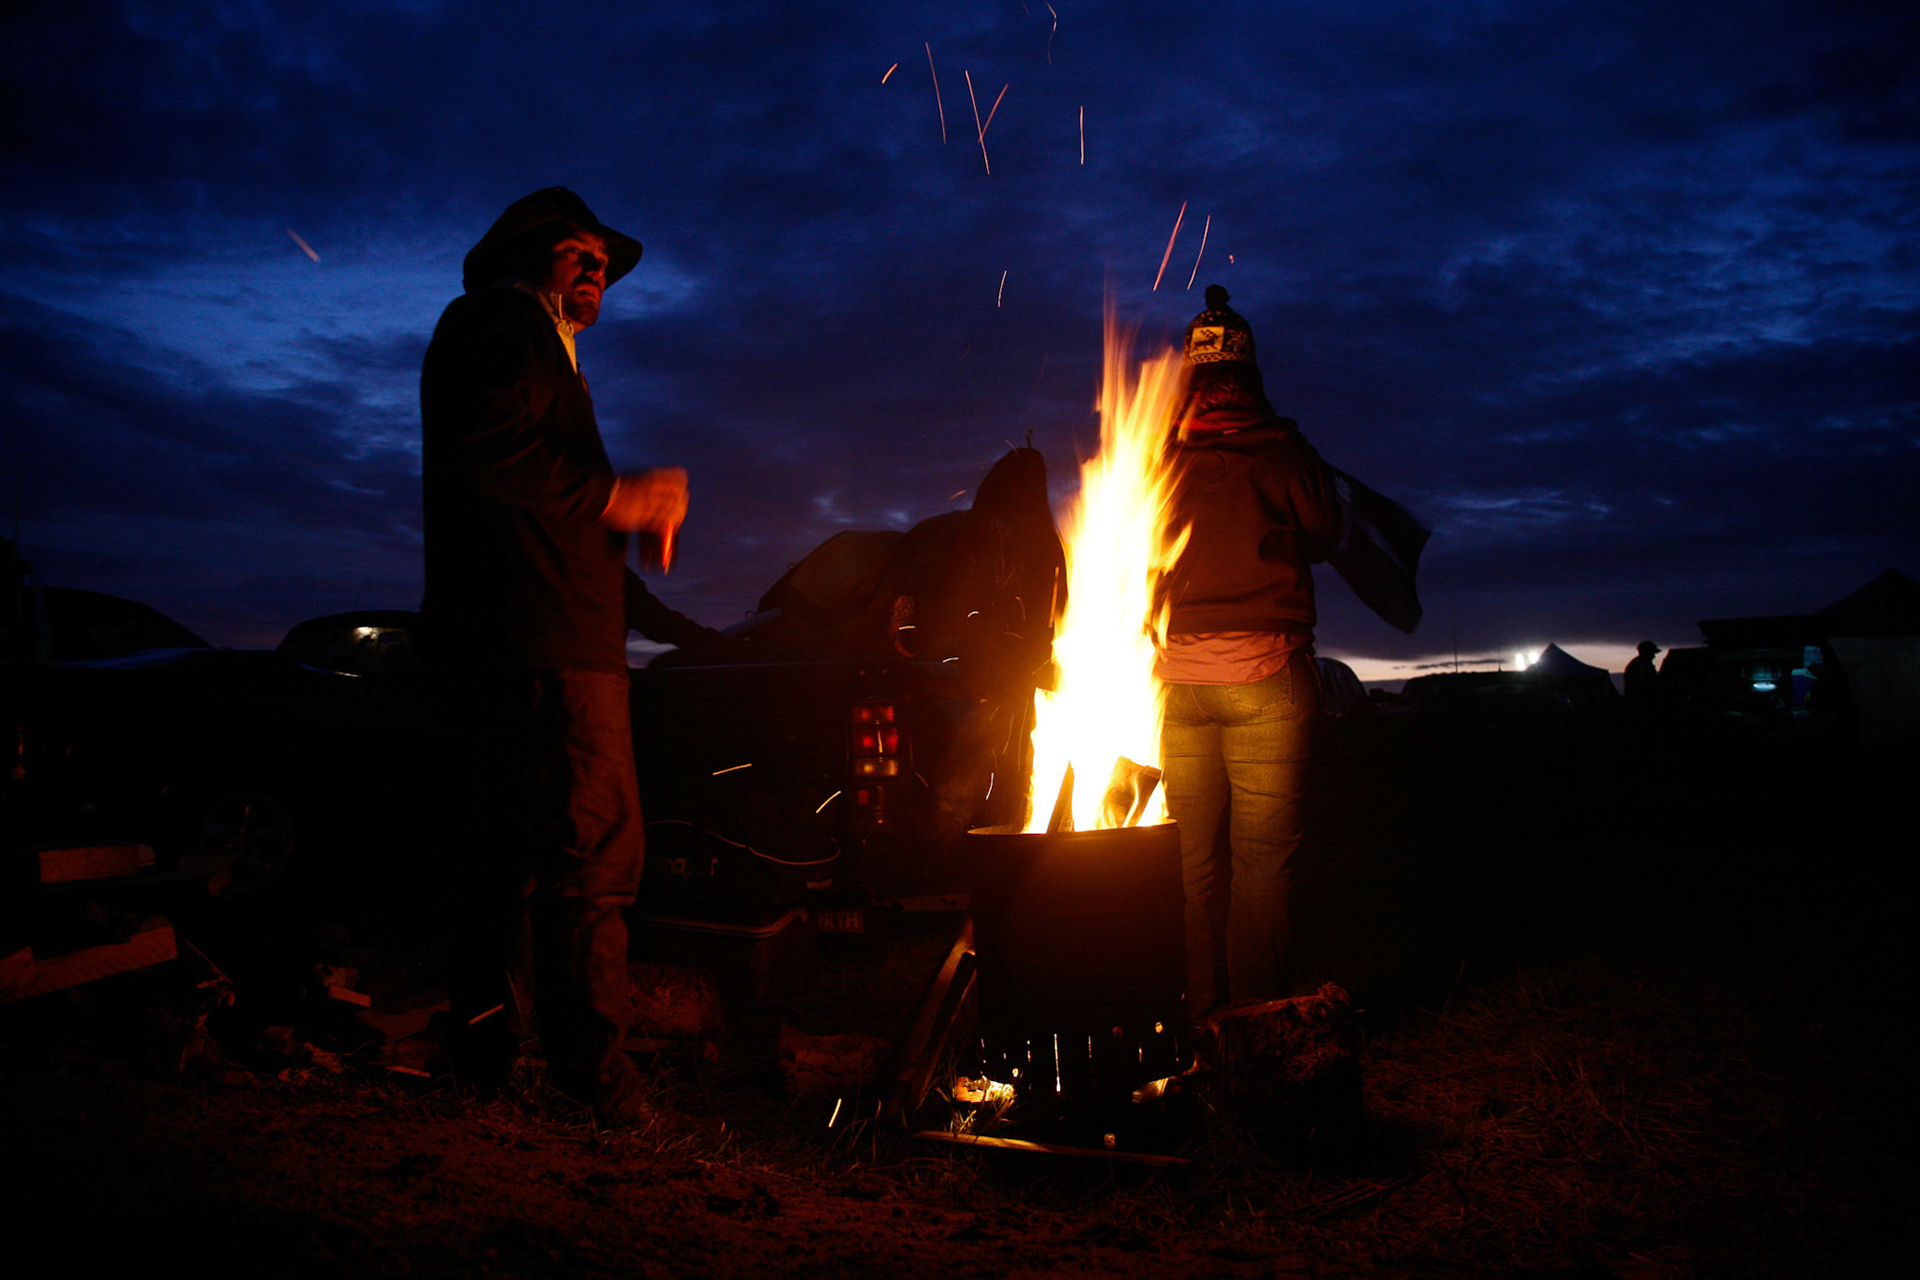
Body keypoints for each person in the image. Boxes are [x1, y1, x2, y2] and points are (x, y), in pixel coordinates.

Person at [420, 187, 688, 1123]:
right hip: (544, 648)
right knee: (594, 856)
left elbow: (563, 515)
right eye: (576, 253)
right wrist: (622, 497)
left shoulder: (544, 351)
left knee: (504, 855)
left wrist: (680, 626)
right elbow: (489, 453)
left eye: (603, 261)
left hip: (529, 637)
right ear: (525, 256)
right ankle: (595, 1083)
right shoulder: (499, 322)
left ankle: (485, 1055)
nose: (596, 269)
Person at [1154, 286, 1342, 1017]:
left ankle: (1196, 1009)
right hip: (1265, 672)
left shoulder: (1158, 458)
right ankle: (1256, 1018)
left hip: (1174, 680)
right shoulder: (1285, 450)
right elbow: (1326, 534)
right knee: (1263, 860)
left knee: (1187, 860)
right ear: (1252, 371)